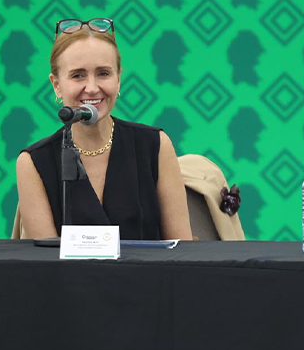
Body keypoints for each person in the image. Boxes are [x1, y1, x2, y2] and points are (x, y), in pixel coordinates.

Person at [17, 18, 192, 240]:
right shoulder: (32, 162)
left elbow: (182, 250)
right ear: (56, 85)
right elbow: (46, 259)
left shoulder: (156, 145)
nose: (91, 88)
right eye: (78, 75)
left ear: (118, 80)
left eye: (103, 73)